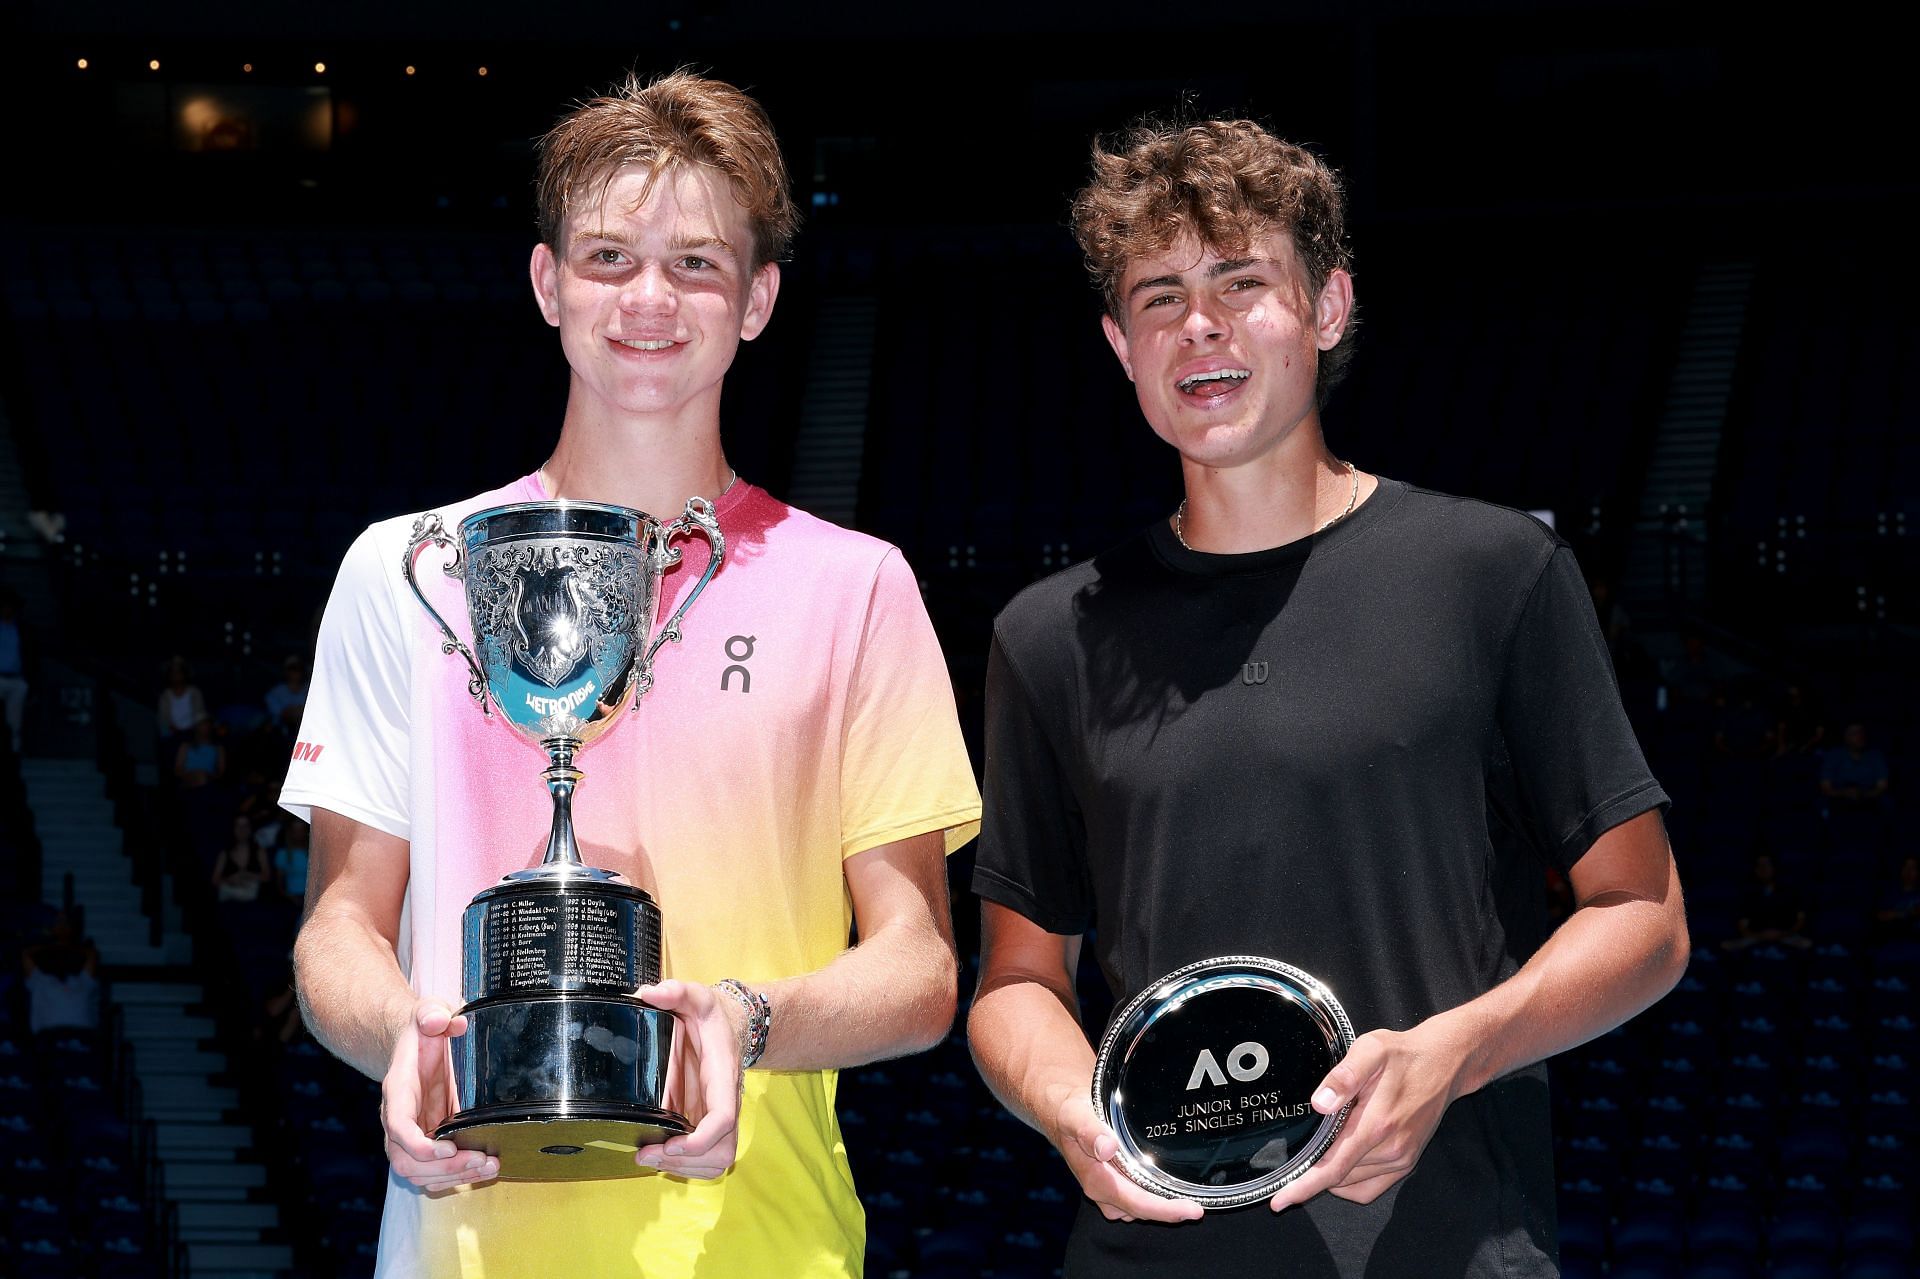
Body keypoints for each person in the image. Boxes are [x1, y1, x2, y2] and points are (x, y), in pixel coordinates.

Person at [281, 71, 980, 1279]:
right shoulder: (411, 569)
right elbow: (338, 928)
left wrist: (745, 1022)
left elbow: (919, 968)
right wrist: (414, 1039)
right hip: (462, 1248)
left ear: (757, 299)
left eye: (698, 263)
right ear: (548, 282)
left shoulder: (856, 584)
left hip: (766, 1250)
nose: (650, 296)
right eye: (608, 255)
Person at [966, 118, 1689, 1278]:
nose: (1198, 324)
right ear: (1118, 343)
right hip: (1152, 1254)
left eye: (1242, 282)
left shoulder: (1491, 571)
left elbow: (1647, 917)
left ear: (1329, 306)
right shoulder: (1050, 635)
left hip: (1447, 1246)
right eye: (1158, 296)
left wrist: (1459, 1048)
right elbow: (1016, 980)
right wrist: (1067, 1101)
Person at [1722, 852, 1811, 951]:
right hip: (1756, 936)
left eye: (1767, 865)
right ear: (1755, 870)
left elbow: (1800, 920)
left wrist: (1782, 934)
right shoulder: (1748, 894)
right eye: (1760, 866)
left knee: (1806, 944)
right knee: (1726, 945)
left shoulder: (1789, 891)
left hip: (1785, 935)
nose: (1763, 869)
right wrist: (1760, 936)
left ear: (1774, 868)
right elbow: (1742, 925)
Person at [0, 593, 27, 754]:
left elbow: (30, 655)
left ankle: (13, 753)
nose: (6, 610)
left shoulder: (22, 630)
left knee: (15, 721)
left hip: (16, 679)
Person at [263, 655, 308, 736]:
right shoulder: (275, 692)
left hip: (305, 731)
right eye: (292, 668)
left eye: (299, 669)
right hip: (280, 733)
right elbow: (280, 714)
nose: (295, 672)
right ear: (286, 671)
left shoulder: (310, 689)